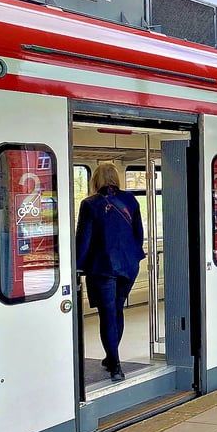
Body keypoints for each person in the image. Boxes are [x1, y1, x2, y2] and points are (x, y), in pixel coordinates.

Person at [76, 162, 145, 382]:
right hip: (129, 265)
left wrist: (78, 266)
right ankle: (111, 357)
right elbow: (138, 234)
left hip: (103, 266)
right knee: (117, 309)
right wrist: (132, 256)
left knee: (107, 314)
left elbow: (83, 239)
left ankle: (115, 365)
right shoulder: (130, 200)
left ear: (95, 180)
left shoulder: (90, 204)